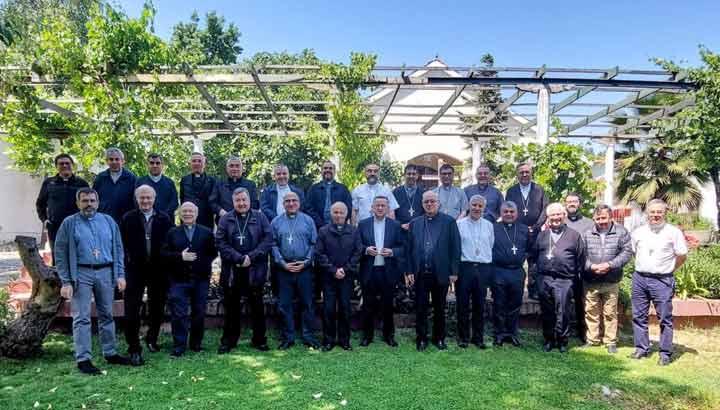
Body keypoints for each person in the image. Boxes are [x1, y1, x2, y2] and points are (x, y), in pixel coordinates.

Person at [54, 188, 130, 374]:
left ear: (98, 201)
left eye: (92, 200)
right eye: (85, 200)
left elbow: (118, 249)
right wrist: (65, 281)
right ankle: (84, 359)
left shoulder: (108, 221)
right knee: (81, 317)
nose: (89, 204)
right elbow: (60, 254)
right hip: (81, 273)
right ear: (78, 203)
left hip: (105, 272)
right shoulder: (69, 223)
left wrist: (120, 274)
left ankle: (110, 353)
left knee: (107, 315)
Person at [119, 185, 174, 365]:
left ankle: (152, 339)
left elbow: (171, 243)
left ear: (154, 198)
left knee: (157, 307)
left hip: (158, 269)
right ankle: (134, 348)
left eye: (148, 198)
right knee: (131, 309)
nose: (145, 201)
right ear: (136, 199)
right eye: (142, 198)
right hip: (134, 269)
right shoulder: (128, 218)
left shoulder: (164, 218)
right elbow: (121, 245)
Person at [630, 199, 688, 366]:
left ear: (665, 213)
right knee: (639, 315)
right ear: (647, 213)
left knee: (664, 318)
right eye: (652, 212)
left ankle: (665, 352)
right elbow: (635, 253)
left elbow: (682, 255)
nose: (655, 215)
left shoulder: (673, 232)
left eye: (659, 212)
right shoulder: (638, 232)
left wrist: (670, 269)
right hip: (640, 278)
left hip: (662, 280)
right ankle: (641, 348)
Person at [216, 188, 274, 354]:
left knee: (257, 306)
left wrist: (251, 257)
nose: (241, 203)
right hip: (233, 270)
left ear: (249, 201)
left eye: (244, 200)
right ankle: (228, 340)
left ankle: (259, 340)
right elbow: (220, 242)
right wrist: (239, 258)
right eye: (238, 201)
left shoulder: (260, 217)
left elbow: (268, 239)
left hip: (255, 269)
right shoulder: (226, 219)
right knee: (231, 306)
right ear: (233, 202)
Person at [406, 191, 461, 351]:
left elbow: (455, 248)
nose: (429, 204)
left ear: (438, 203)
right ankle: (421, 338)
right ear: (422, 204)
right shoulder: (415, 223)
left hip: (441, 272)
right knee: (421, 307)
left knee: (440, 307)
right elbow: (409, 249)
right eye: (426, 202)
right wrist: (409, 271)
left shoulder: (449, 222)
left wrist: (454, 271)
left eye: (432, 201)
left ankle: (439, 338)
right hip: (420, 273)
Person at [162, 202, 217, 357]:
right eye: (184, 211)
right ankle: (179, 346)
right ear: (179, 214)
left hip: (200, 279)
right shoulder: (172, 232)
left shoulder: (206, 232)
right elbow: (164, 254)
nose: (187, 214)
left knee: (199, 312)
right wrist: (180, 256)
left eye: (190, 211)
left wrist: (201, 264)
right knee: (179, 313)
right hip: (179, 280)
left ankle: (196, 344)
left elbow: (212, 253)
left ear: (196, 214)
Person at [531, 203, 586, 353]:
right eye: (552, 215)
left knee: (563, 311)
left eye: (558, 214)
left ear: (564, 216)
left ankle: (562, 340)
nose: (556, 218)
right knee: (547, 311)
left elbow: (581, 258)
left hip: (564, 280)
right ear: (548, 218)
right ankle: (549, 339)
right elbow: (534, 256)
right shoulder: (542, 236)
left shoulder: (574, 235)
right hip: (544, 279)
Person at [271, 192, 319, 349]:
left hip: (304, 269)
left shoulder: (308, 220)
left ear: (299, 203)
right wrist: (282, 263)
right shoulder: (276, 222)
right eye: (288, 201)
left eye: (294, 201)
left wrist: (306, 262)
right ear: (283, 204)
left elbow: (314, 244)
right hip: (284, 269)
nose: (291, 203)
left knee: (307, 303)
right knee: (284, 304)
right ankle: (288, 336)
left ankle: (308, 335)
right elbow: (273, 244)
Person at [581, 205, 632, 354]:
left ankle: (610, 341)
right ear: (594, 219)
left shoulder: (621, 232)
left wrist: (610, 265)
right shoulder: (586, 233)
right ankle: (592, 339)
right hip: (591, 279)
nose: (601, 221)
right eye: (598, 218)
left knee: (610, 312)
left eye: (604, 218)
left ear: (611, 217)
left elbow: (627, 252)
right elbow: (580, 254)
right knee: (591, 311)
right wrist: (591, 266)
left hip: (611, 279)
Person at [357, 196, 406, 348]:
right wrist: (365, 250)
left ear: (387, 208)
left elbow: (403, 248)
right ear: (372, 207)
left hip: (387, 270)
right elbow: (357, 245)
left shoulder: (395, 225)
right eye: (377, 205)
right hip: (369, 270)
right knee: (368, 305)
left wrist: (392, 252)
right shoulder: (363, 224)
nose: (379, 208)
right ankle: (367, 336)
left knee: (388, 305)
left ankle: (388, 335)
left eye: (383, 206)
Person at [316, 202, 363, 351]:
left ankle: (344, 340)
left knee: (345, 309)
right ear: (331, 214)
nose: (338, 215)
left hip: (346, 277)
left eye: (341, 212)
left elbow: (358, 252)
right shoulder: (323, 231)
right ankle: (328, 340)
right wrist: (333, 270)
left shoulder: (354, 231)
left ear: (346, 214)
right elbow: (319, 253)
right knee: (328, 309)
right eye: (335, 212)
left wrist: (345, 269)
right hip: (329, 277)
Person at [505, 162, 549, 300]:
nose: (524, 174)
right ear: (517, 174)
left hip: (535, 231)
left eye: (527, 172)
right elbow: (509, 209)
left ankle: (533, 290)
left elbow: (545, 209)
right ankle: (513, 290)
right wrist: (521, 227)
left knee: (534, 262)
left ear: (531, 173)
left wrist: (536, 226)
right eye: (521, 172)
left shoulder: (539, 189)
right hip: (518, 231)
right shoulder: (511, 191)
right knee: (515, 260)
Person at [455, 195, 494, 348]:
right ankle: (463, 337)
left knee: (480, 304)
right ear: (469, 206)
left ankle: (478, 338)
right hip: (465, 267)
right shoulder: (459, 224)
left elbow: (490, 245)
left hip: (483, 268)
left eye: (480, 206)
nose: (477, 208)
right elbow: (456, 248)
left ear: (483, 208)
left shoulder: (489, 225)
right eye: (474, 205)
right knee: (462, 304)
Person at [491, 201, 530, 347]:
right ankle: (499, 334)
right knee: (499, 304)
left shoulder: (524, 229)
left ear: (516, 213)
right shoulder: (494, 228)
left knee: (515, 304)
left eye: (511, 211)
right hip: (498, 270)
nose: (508, 214)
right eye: (505, 211)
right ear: (501, 213)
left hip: (517, 271)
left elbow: (528, 249)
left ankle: (512, 333)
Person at [36, 153, 89, 253]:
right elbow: (40, 203)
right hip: (55, 226)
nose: (64, 166)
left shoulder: (81, 183)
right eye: (61, 164)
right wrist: (45, 220)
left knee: (77, 254)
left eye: (67, 163)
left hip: (77, 226)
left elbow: (89, 203)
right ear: (56, 166)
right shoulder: (49, 183)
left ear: (72, 165)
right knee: (58, 256)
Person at [563, 192, 593, 343]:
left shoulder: (589, 223)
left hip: (582, 269)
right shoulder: (560, 221)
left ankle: (583, 331)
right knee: (564, 302)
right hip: (565, 270)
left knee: (582, 302)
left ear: (580, 204)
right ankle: (564, 330)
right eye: (569, 202)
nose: (572, 204)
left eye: (575, 201)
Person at [92, 147, 137, 225]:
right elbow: (94, 198)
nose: (114, 162)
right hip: (104, 221)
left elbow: (136, 200)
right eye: (111, 159)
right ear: (107, 161)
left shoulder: (131, 178)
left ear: (122, 161)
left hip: (125, 222)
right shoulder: (100, 178)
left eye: (117, 159)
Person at [304, 160, 353, 229]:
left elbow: (348, 208)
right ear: (321, 171)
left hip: (339, 228)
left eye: (330, 168)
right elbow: (308, 208)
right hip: (318, 228)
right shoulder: (313, 189)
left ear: (334, 171)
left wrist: (339, 221)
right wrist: (320, 223)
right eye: (325, 168)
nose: (328, 170)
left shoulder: (343, 189)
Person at [210, 157, 259, 222]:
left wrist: (244, 213)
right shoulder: (219, 184)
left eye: (237, 166)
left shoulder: (250, 184)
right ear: (227, 169)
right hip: (224, 221)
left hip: (246, 221)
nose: (234, 168)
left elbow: (255, 204)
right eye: (231, 166)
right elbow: (212, 202)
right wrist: (222, 212)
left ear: (242, 168)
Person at [179, 152, 216, 229]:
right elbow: (182, 198)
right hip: (187, 218)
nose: (196, 163)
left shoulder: (212, 181)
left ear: (204, 164)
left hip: (206, 220)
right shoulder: (184, 180)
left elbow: (214, 201)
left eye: (199, 161)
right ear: (190, 164)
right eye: (194, 161)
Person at [136, 153, 179, 219]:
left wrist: (162, 216)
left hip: (166, 221)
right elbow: (135, 201)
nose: (155, 165)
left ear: (162, 165)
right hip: (145, 221)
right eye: (152, 163)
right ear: (147, 165)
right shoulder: (140, 182)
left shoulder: (169, 182)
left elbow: (174, 202)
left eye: (158, 163)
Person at [392, 164, 425, 228]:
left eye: (414, 174)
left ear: (417, 176)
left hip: (418, 229)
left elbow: (425, 213)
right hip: (400, 230)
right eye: (409, 174)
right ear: (404, 175)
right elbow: (392, 213)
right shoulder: (395, 192)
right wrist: (399, 225)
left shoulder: (423, 193)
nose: (411, 176)